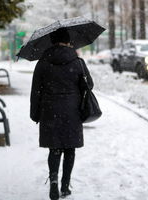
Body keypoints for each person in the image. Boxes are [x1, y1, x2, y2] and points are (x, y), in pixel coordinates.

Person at [30, 27, 93, 200]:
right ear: (68, 41)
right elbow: (89, 85)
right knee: (70, 148)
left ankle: (53, 182)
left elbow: (35, 91)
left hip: (50, 111)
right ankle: (65, 186)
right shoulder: (77, 62)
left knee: (55, 148)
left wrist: (35, 114)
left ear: (51, 41)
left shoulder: (42, 62)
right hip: (72, 110)